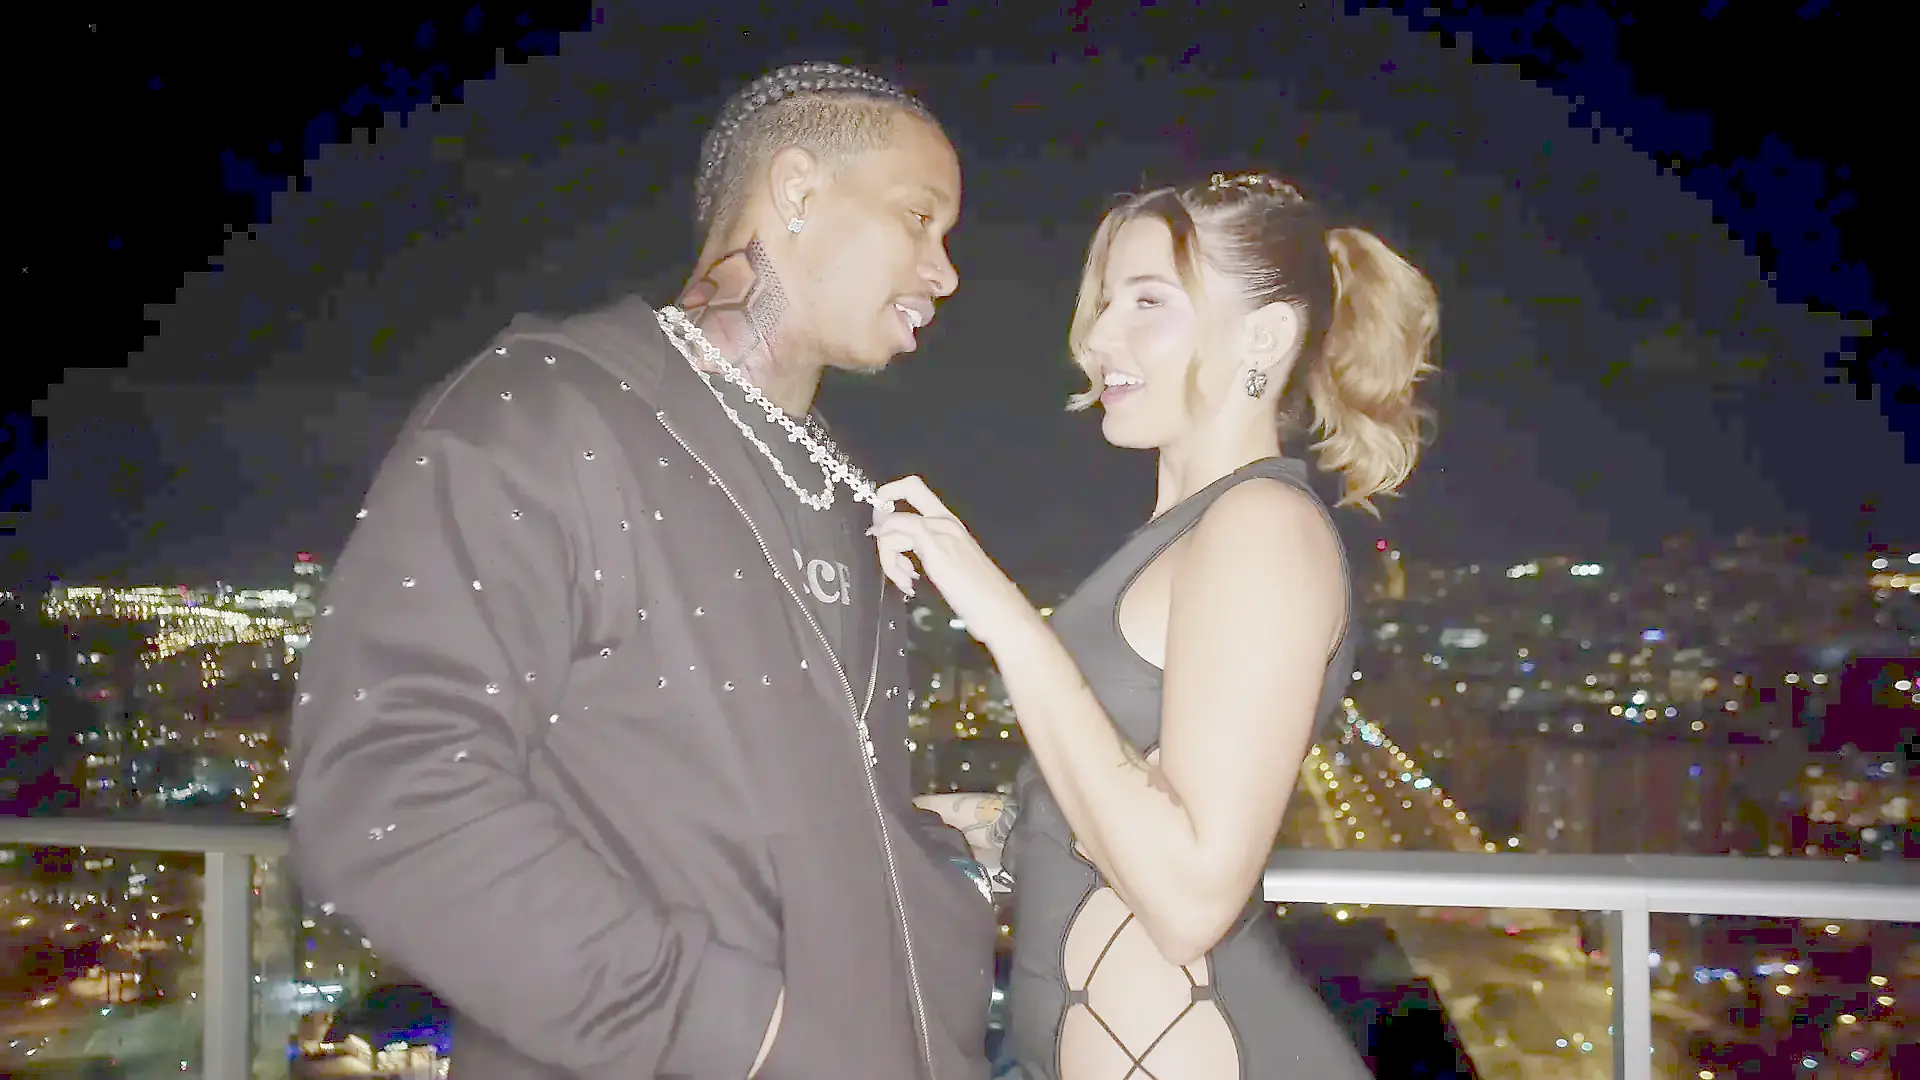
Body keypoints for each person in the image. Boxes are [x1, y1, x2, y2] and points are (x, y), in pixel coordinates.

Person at [289, 61, 996, 1080]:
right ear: (798, 191)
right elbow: (387, 796)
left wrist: (944, 870)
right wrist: (738, 1035)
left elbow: (757, 812)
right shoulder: (543, 413)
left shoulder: (841, 491)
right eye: (920, 219)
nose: (945, 271)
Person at [877, 170, 1439, 1078]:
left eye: (1147, 302)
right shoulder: (1185, 534)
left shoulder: (1262, 526)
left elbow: (1188, 900)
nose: (1100, 336)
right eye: (1106, 303)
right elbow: (1121, 804)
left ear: (1264, 336)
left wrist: (1003, 618)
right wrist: (978, 824)